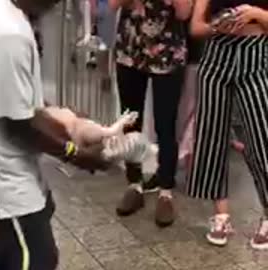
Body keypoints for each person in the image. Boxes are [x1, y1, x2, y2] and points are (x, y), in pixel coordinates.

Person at [0, 0, 109, 268]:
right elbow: (17, 122)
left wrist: (68, 121)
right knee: (38, 256)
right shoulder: (9, 34)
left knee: (23, 231)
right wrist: (74, 154)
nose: (55, 5)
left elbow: (18, 100)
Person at [187, 0, 268, 249]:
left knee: (261, 135)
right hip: (216, 56)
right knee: (211, 134)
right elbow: (196, 27)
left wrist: (256, 14)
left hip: (255, 53)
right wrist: (217, 26)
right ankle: (221, 216)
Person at [109, 0, 192, 227]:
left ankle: (166, 190)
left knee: (166, 124)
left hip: (169, 51)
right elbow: (112, 5)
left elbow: (185, 13)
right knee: (130, 120)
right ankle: (134, 183)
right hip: (130, 46)